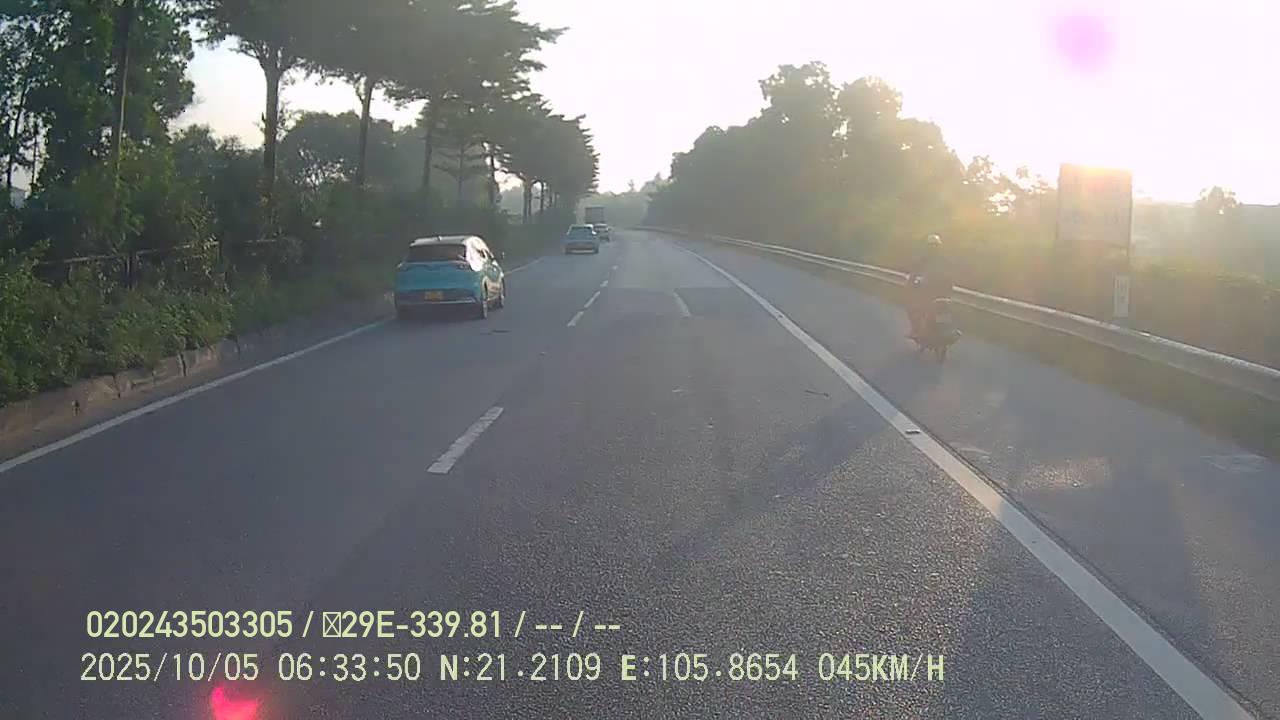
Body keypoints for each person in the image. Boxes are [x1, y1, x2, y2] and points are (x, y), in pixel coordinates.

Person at [905, 234, 952, 339]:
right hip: (942, 290)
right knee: (944, 308)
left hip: (928, 291)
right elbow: (950, 275)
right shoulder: (944, 259)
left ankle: (915, 331)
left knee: (913, 308)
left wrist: (910, 283)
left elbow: (915, 272)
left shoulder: (924, 258)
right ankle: (943, 329)